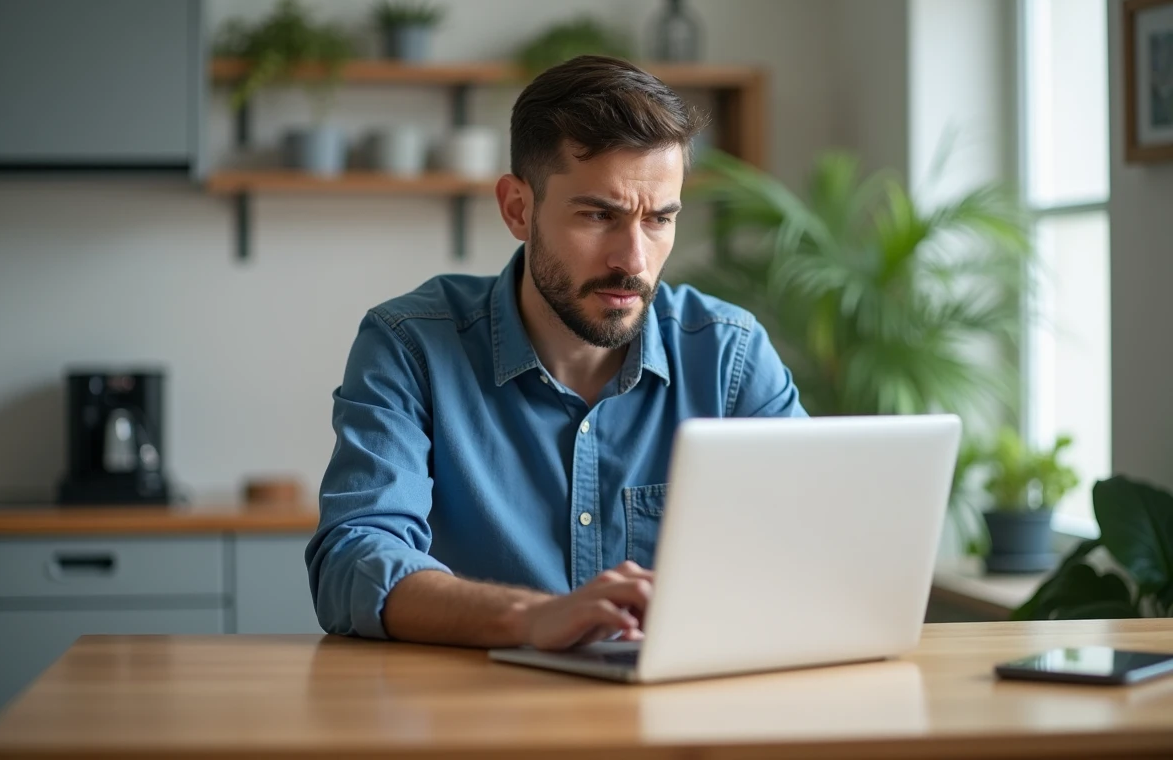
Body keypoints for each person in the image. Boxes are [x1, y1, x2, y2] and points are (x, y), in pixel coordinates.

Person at [306, 55, 806, 652]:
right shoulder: (411, 345)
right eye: (599, 215)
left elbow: (809, 550)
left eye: (659, 220)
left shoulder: (730, 355)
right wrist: (530, 618)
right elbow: (353, 561)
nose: (635, 260)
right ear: (519, 208)